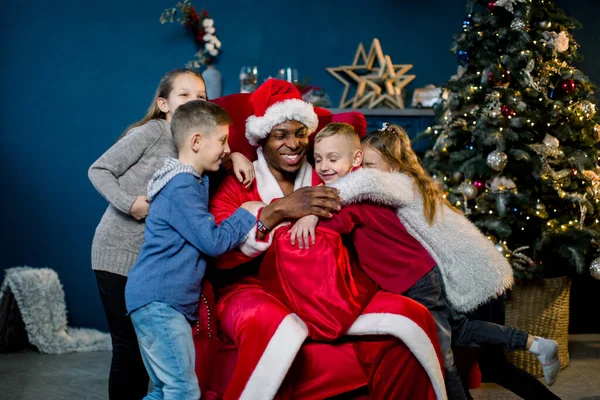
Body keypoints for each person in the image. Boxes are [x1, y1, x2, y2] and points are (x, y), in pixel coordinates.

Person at [203, 79, 446, 400]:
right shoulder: (239, 183)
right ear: (262, 138)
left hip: (327, 284)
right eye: (281, 135)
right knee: (270, 327)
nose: (293, 143)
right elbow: (219, 250)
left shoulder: (325, 171)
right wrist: (277, 212)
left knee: (409, 315)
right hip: (250, 287)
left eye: (300, 133)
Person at [289, 123, 561, 400]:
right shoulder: (386, 190)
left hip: (450, 278)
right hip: (434, 275)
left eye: (369, 165)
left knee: (447, 360)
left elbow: (349, 201)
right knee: (461, 334)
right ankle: (534, 344)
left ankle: (535, 347)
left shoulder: (381, 187)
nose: (324, 166)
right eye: (318, 159)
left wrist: (307, 213)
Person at [88, 68, 254, 400]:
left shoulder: (193, 152)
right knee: (128, 351)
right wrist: (130, 203)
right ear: (164, 104)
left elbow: (204, 153)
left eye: (201, 97)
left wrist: (232, 153)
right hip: (119, 252)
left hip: (151, 264)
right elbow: (99, 169)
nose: (194, 101)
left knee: (157, 366)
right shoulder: (152, 132)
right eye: (184, 95)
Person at [125, 100, 256, 399]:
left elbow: (217, 163)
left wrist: (233, 155)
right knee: (183, 389)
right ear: (196, 141)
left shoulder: (191, 179)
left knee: (163, 390)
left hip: (156, 299)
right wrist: (245, 212)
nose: (225, 148)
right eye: (222, 141)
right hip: (159, 300)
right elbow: (213, 242)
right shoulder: (182, 186)